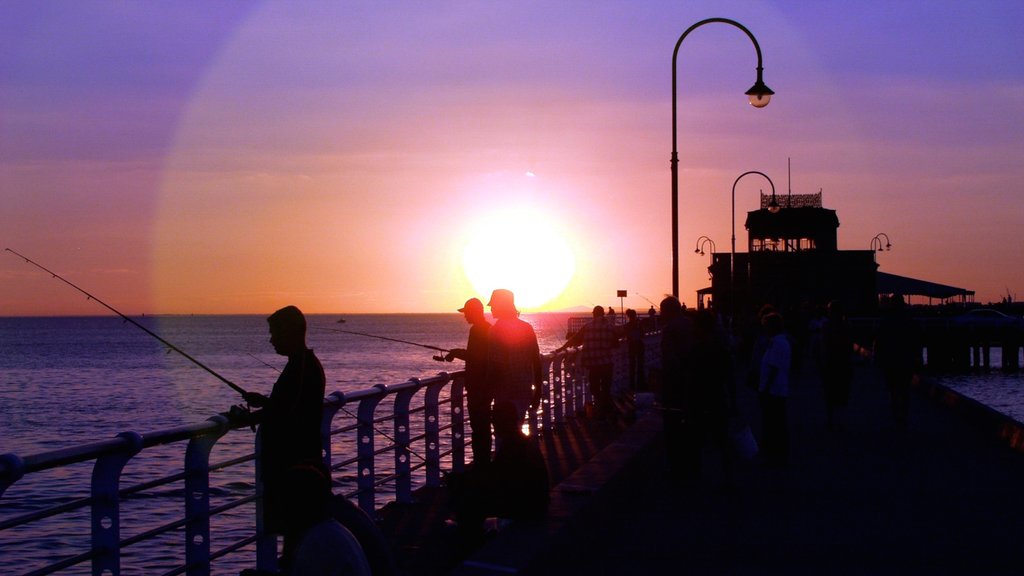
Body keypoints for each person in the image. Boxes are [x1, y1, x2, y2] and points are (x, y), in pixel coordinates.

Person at [242, 306, 326, 558]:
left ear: (289, 332)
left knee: (296, 528)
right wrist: (265, 404)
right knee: (296, 530)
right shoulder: (302, 364)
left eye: (274, 332)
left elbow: (288, 412)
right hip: (299, 459)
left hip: (294, 462)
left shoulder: (301, 366)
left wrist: (255, 414)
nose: (271, 339)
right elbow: (288, 405)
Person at [447, 401, 549, 546]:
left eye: (495, 420)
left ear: (504, 422)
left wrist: (463, 482)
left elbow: (496, 480)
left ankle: (468, 538)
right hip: (536, 502)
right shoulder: (521, 441)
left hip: (526, 506)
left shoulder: (512, 446)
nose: (493, 425)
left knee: (469, 496)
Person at [442, 298, 493, 466]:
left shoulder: (477, 330)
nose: (465, 316)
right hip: (486, 385)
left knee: (479, 427)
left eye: (466, 313)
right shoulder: (488, 329)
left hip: (478, 386)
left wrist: (456, 352)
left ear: (474, 312)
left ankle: (481, 464)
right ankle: (484, 462)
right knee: (483, 426)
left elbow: (475, 356)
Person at [485, 289, 543, 423]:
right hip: (524, 388)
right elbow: (536, 360)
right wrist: (538, 391)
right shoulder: (527, 327)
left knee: (504, 435)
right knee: (517, 426)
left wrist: (487, 394)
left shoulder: (496, 330)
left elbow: (496, 365)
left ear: (501, 305)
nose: (491, 308)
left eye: (493, 305)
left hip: (504, 391)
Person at [555, 305, 618, 419]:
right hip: (607, 364)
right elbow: (616, 344)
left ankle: (602, 411)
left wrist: (560, 349)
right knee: (606, 389)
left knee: (594, 389)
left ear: (593, 314)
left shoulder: (587, 327)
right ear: (603, 314)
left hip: (593, 365)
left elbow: (574, 339)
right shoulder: (610, 327)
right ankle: (607, 412)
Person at [658, 296, 695, 479]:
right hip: (692, 381)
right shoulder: (691, 325)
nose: (660, 314)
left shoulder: (669, 330)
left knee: (672, 427)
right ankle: (691, 464)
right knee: (689, 425)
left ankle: (676, 468)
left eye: (662, 311)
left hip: (675, 385)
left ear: (668, 311)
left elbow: (670, 360)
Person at [874, 295, 921, 429]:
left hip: (891, 360)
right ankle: (903, 416)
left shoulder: (885, 321)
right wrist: (918, 357)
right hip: (906, 360)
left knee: (893, 390)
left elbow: (878, 341)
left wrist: (877, 357)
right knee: (904, 389)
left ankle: (897, 415)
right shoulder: (909, 321)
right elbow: (916, 340)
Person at [758, 312, 791, 466]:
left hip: (774, 389)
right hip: (776, 388)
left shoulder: (777, 343)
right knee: (776, 420)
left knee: (774, 420)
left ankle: (776, 452)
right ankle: (777, 450)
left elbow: (773, 368)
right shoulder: (779, 342)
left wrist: (764, 388)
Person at [821, 300, 854, 431]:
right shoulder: (847, 326)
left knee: (830, 393)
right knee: (842, 393)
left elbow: (824, 347)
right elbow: (850, 346)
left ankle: (831, 420)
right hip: (844, 363)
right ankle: (841, 421)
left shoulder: (826, 326)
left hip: (831, 363)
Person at [625, 309, 646, 392]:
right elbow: (642, 335)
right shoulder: (639, 325)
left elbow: (626, 335)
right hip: (640, 345)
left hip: (632, 346)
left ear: (628, 316)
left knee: (632, 366)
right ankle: (640, 385)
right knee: (640, 366)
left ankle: (632, 386)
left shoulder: (627, 326)